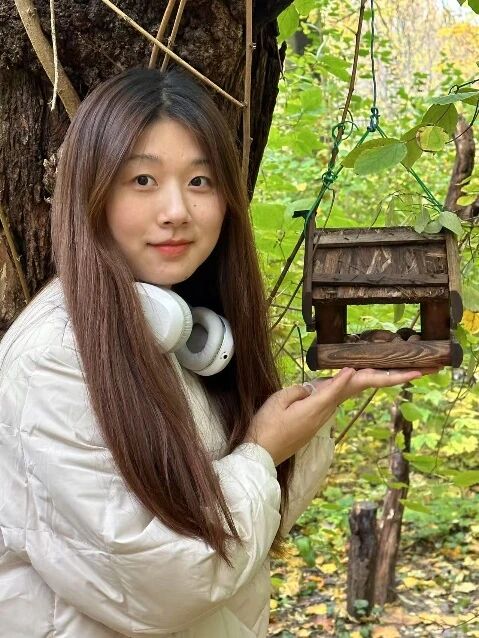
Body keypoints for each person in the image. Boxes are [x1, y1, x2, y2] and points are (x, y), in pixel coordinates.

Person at [0, 68, 429, 638]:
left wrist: (315, 410)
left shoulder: (189, 334)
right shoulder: (55, 360)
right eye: (143, 180)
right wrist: (262, 450)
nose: (177, 210)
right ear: (92, 194)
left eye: (200, 181)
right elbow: (158, 585)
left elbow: (258, 523)